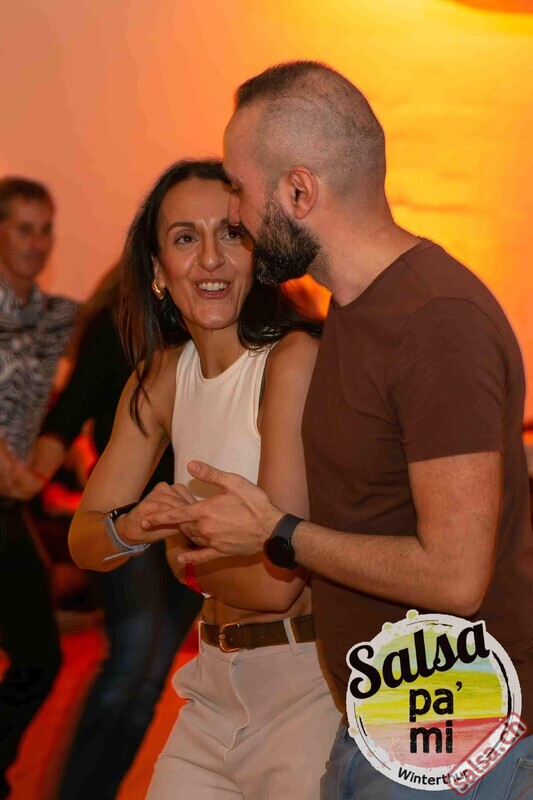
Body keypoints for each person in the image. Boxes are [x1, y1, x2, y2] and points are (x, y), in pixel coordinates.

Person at [134, 63, 533, 799]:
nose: (236, 213)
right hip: (377, 720)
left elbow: (455, 576)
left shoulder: (436, 322)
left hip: (451, 735)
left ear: (298, 192)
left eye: (240, 190)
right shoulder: (355, 309)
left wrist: (277, 531)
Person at [68, 159, 340, 800]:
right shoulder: (160, 377)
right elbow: (86, 540)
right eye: (186, 238)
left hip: (303, 689)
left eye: (233, 233)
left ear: (259, 256)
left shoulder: (292, 359)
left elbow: (276, 583)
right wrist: (132, 526)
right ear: (158, 270)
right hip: (211, 685)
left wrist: (173, 543)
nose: (211, 258)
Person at [26, 263, 202, 800]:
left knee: (147, 681)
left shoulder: (216, 330)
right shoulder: (120, 325)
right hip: (126, 518)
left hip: (192, 526)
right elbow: (68, 413)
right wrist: (24, 483)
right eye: (183, 238)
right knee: (133, 660)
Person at [0, 177, 78, 799]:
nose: (37, 242)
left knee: (39, 658)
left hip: (10, 504)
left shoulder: (57, 317)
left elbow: (103, 358)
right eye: (24, 228)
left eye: (46, 228)